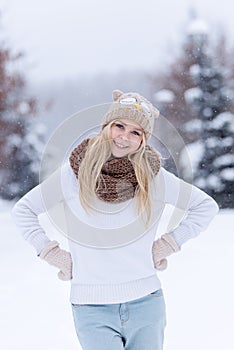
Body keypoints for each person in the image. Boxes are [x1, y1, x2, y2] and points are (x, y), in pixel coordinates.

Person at [12, 89, 219, 350]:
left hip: (146, 303)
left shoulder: (153, 177)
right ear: (106, 126)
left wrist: (169, 244)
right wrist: (51, 253)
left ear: (144, 140)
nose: (124, 136)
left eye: (136, 132)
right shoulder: (72, 174)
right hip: (91, 308)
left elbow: (205, 206)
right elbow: (23, 211)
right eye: (119, 126)